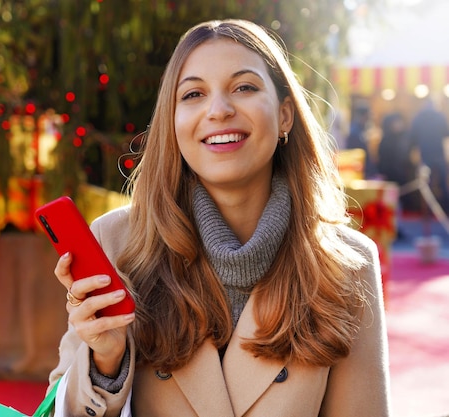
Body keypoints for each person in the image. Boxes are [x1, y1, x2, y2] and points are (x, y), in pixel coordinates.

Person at [48, 19, 391, 416]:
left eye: (244, 87)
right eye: (193, 94)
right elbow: (61, 405)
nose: (218, 110)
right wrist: (106, 361)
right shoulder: (119, 243)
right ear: (172, 124)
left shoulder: (347, 264)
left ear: (285, 116)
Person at [410, 97, 449, 211]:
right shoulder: (440, 116)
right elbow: (446, 133)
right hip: (438, 154)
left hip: (425, 154)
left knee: (425, 185)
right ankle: (445, 209)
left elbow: (413, 137)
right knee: (443, 184)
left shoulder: (418, 117)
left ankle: (427, 210)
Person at [377, 111, 418, 212]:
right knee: (390, 200)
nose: (399, 125)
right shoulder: (386, 139)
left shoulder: (405, 137)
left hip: (403, 172)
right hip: (390, 173)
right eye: (396, 123)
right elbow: (382, 158)